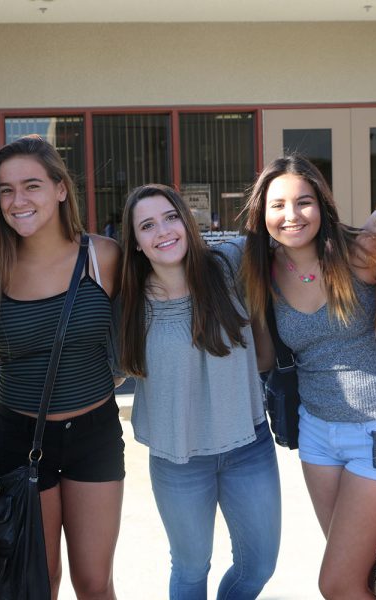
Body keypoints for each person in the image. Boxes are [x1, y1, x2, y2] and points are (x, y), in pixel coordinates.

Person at [240, 155, 376, 599]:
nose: (291, 215)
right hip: (317, 435)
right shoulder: (262, 273)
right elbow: (263, 357)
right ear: (262, 214)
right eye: (278, 205)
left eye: (303, 202)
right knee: (356, 569)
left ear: (322, 205)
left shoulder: (360, 252)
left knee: (336, 583)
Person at [0, 135, 124, 599]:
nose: (18, 200)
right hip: (20, 437)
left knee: (95, 584)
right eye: (5, 190)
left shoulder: (103, 257)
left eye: (32, 185)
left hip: (94, 434)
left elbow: (132, 341)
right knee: (32, 585)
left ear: (61, 189)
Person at [119, 183, 281, 599]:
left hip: (248, 446)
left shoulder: (228, 266)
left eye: (171, 217)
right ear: (135, 242)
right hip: (179, 460)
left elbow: (281, 231)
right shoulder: (129, 304)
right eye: (148, 226)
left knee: (259, 565)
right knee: (191, 568)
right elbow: (108, 372)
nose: (163, 231)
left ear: (188, 223)